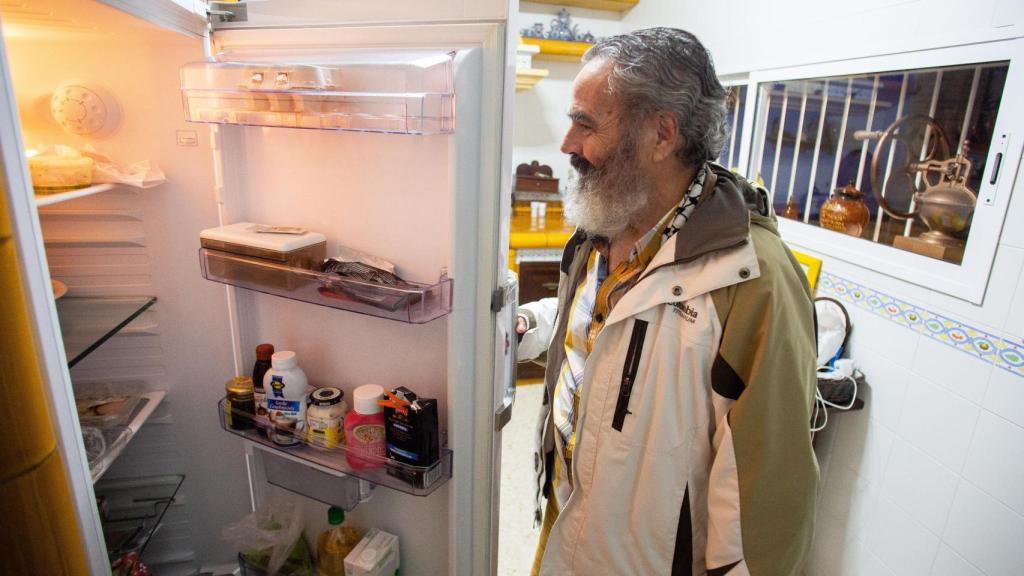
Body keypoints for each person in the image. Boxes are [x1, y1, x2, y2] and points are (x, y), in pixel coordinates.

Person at [515, 28, 819, 576]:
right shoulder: (602, 227)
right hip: (565, 525)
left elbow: (766, 504)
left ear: (660, 134)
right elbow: (597, 335)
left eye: (586, 122)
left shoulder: (754, 282)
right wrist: (528, 324)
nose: (566, 143)